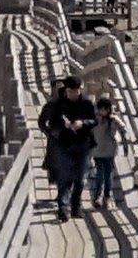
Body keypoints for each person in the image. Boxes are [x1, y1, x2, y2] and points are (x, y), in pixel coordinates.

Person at [41, 79, 101, 219]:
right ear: (66, 90)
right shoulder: (57, 104)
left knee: (80, 179)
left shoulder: (86, 103)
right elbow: (47, 124)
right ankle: (63, 207)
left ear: (80, 89)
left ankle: (76, 206)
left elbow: (94, 120)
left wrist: (83, 123)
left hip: (82, 145)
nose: (73, 93)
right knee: (64, 177)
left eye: (76, 90)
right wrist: (58, 131)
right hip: (63, 144)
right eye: (70, 91)